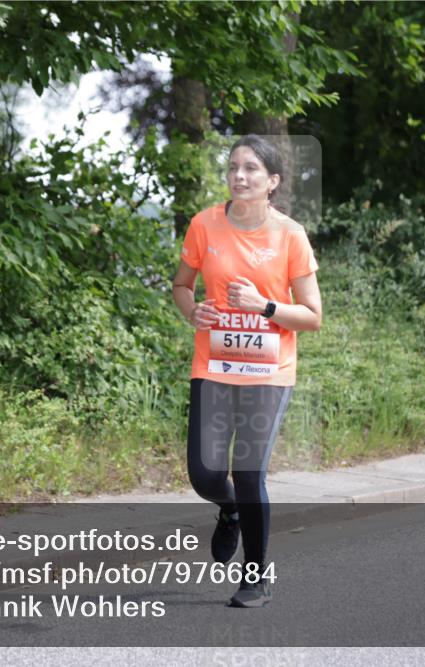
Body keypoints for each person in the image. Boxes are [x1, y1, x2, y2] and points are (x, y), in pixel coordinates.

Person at [171, 134, 322, 608]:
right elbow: (180, 286)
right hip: (214, 365)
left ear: (272, 181)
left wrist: (266, 306)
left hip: (268, 371)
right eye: (234, 166)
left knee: (249, 470)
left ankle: (255, 578)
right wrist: (192, 311)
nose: (240, 175)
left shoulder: (290, 235)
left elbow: (313, 316)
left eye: (252, 168)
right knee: (202, 473)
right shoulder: (204, 225)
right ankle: (229, 508)